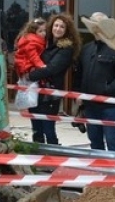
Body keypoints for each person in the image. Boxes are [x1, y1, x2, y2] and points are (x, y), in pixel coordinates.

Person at [75, 12, 115, 152]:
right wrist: (78, 94)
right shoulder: (86, 49)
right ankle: (98, 170)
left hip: (110, 106)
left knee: (112, 141)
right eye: (94, 23)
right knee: (95, 142)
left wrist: (107, 91)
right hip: (89, 106)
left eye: (100, 23)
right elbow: (79, 74)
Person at [26, 13, 81, 145]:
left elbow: (51, 69)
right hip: (35, 92)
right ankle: (38, 156)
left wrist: (30, 76)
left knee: (48, 129)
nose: (58, 28)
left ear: (67, 30)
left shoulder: (66, 49)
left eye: (62, 27)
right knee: (36, 128)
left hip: (50, 95)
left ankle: (53, 157)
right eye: (56, 25)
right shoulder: (45, 44)